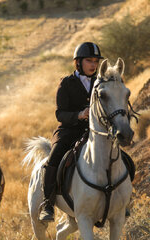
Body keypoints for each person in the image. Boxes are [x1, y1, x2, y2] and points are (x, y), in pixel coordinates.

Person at [38, 42, 104, 222]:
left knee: (116, 154)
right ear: (78, 62)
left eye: (96, 61)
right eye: (89, 61)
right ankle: (48, 204)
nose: (93, 65)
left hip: (94, 131)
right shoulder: (66, 83)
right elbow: (60, 113)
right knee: (55, 157)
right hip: (69, 131)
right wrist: (79, 115)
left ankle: (120, 199)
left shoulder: (100, 82)